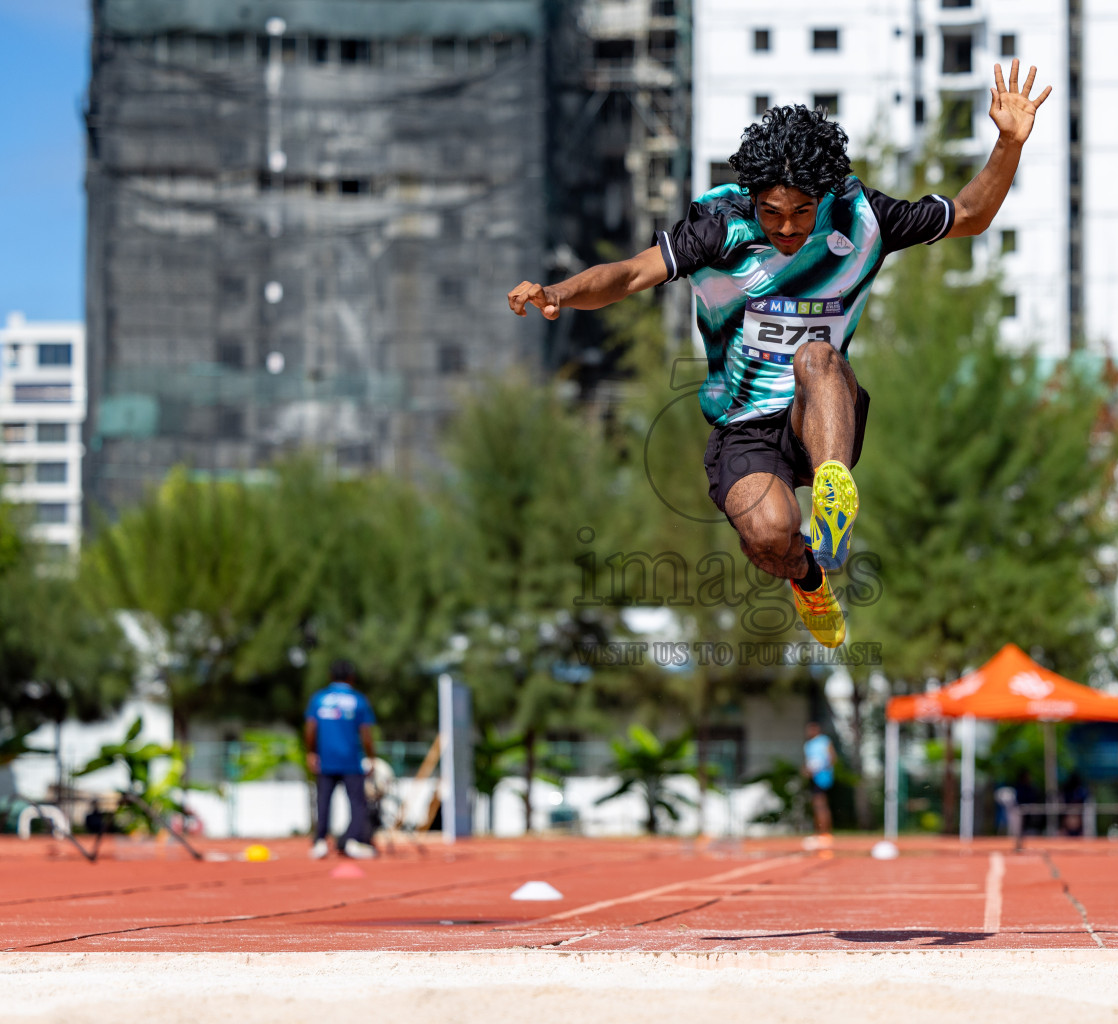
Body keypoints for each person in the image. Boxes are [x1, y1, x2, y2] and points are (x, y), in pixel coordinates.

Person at [508, 62, 1051, 648]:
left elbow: (969, 216)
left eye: (800, 212)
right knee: (769, 536)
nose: (786, 228)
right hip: (742, 426)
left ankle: (831, 486)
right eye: (771, 212)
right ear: (752, 199)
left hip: (820, 409)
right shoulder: (719, 228)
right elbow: (630, 273)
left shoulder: (862, 217)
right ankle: (811, 577)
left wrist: (1007, 143)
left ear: (825, 196)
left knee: (816, 356)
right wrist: (560, 292)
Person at [305, 659, 378, 859]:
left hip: (326, 759)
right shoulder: (358, 700)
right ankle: (354, 842)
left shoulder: (319, 699)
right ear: (351, 677)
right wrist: (371, 758)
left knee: (324, 802)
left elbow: (311, 729)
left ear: (330, 677)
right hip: (351, 761)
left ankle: (320, 842)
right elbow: (365, 733)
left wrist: (311, 752)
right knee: (356, 803)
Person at [802, 721, 836, 843]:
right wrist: (806, 771)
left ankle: (825, 833)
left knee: (821, 805)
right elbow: (808, 763)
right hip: (814, 778)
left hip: (822, 777)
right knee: (817, 806)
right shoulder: (808, 745)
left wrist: (820, 767)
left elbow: (832, 758)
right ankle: (820, 832)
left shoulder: (824, 741)